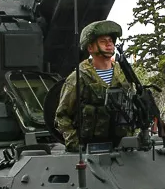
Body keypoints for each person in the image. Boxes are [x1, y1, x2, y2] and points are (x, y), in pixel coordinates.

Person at [54, 20, 135, 150]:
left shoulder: (124, 74)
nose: (109, 45)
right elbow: (62, 116)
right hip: (90, 148)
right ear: (90, 47)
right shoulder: (79, 77)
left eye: (111, 41)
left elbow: (134, 105)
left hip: (123, 147)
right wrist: (75, 142)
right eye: (103, 41)